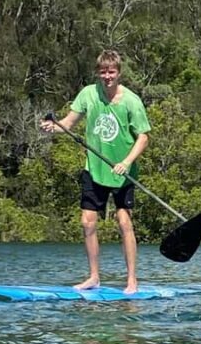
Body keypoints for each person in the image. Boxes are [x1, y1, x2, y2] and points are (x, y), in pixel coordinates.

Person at [40, 49, 151, 293]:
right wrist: (52, 127)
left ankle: (132, 280)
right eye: (103, 72)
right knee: (87, 222)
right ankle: (93, 277)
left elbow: (143, 137)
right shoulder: (88, 94)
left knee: (124, 221)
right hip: (94, 168)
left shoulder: (131, 101)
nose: (107, 77)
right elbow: (68, 124)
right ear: (98, 73)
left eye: (111, 72)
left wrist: (126, 162)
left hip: (122, 173)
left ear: (119, 73)